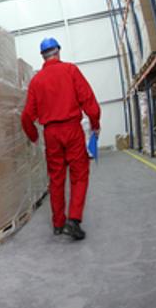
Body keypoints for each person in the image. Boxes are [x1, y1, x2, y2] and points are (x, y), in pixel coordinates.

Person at [21, 37, 100, 240]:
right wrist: (95, 124)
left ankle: (58, 224)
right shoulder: (70, 71)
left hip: (51, 133)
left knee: (56, 178)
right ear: (58, 52)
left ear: (43, 56)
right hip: (72, 129)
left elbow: (26, 116)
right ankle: (73, 220)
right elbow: (88, 99)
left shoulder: (36, 81)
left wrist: (33, 136)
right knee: (79, 174)